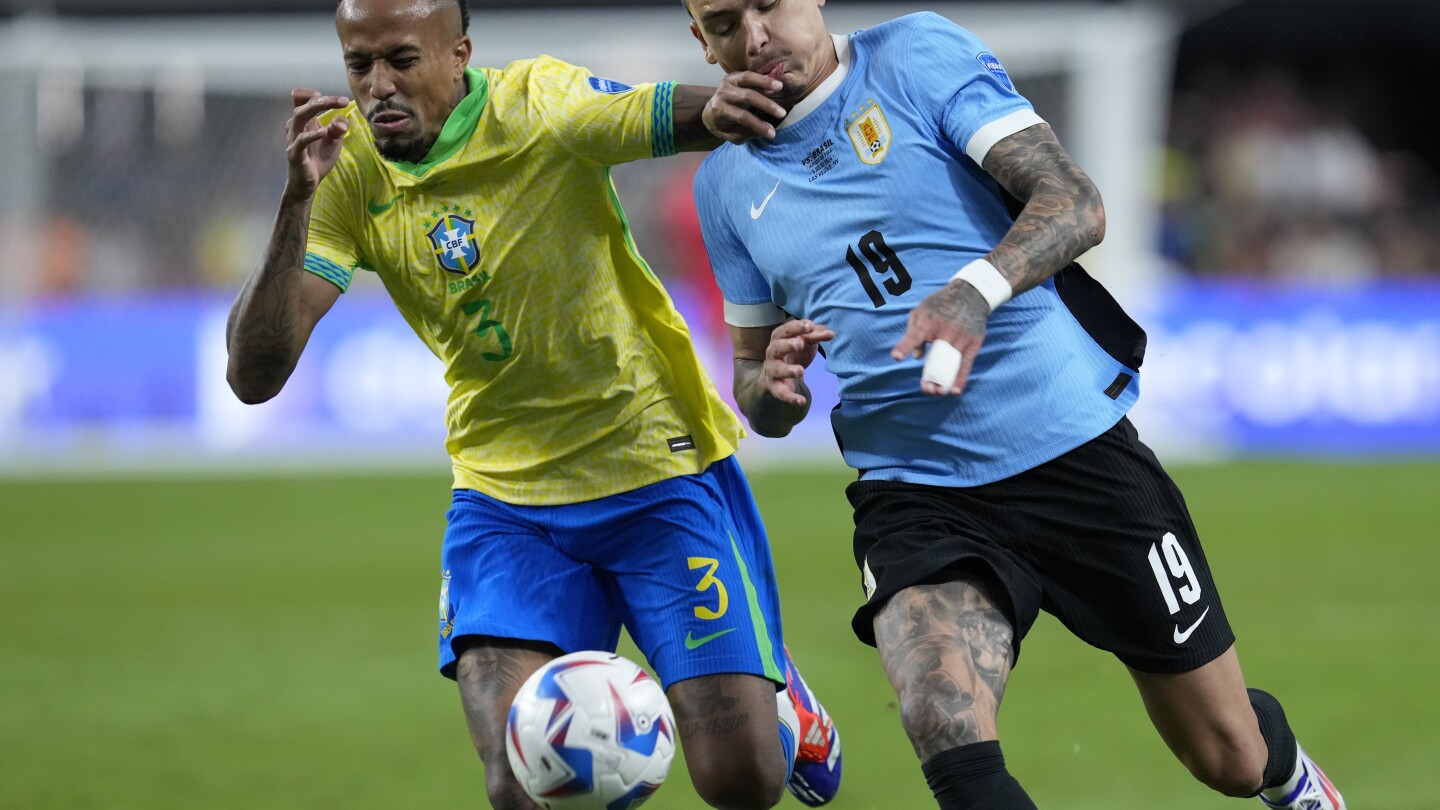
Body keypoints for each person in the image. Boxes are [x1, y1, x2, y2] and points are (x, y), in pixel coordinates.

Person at [682, 2, 1346, 809]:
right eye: (723, 22)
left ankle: (1293, 781)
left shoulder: (916, 57)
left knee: (1228, 756)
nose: (754, 37)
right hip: (914, 489)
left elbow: (1076, 204)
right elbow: (754, 385)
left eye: (767, 6)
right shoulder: (723, 184)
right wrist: (773, 386)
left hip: (1073, 451)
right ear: (702, 42)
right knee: (940, 720)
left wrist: (974, 289)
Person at [223, 1, 843, 808]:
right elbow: (252, 375)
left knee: (742, 782)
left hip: (656, 465)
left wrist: (722, 109)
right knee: (520, 785)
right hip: (506, 500)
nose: (378, 87)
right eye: (359, 65)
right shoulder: (344, 171)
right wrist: (296, 199)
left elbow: (648, 112)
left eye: (401, 61)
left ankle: (781, 702)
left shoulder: (538, 104)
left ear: (459, 55)